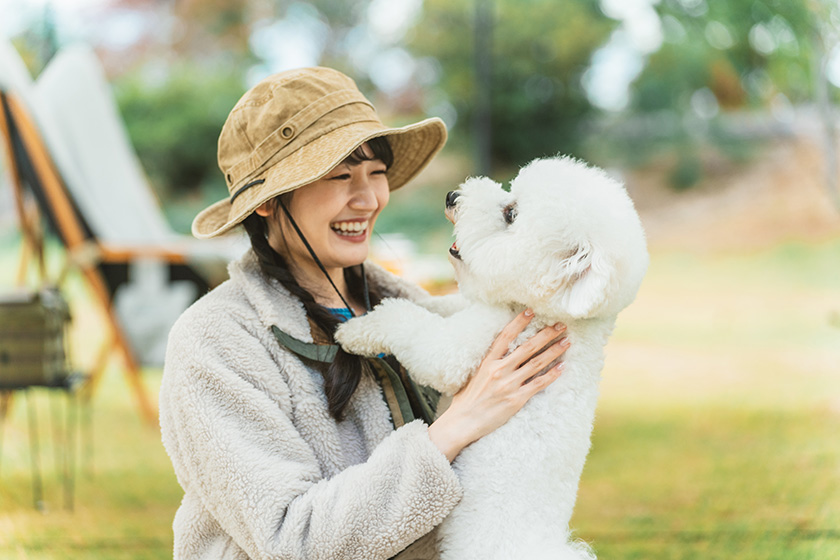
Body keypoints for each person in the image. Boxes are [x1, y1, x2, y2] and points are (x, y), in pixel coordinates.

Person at [159, 67, 570, 560]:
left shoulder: (418, 315)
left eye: (377, 173)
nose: (369, 198)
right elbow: (293, 540)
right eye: (341, 176)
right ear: (268, 203)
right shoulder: (217, 342)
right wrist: (455, 427)